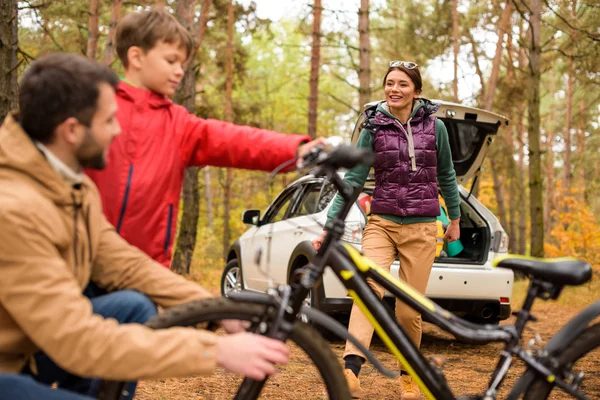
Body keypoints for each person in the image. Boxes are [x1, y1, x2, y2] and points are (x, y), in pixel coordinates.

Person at [0, 53, 289, 400]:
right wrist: (213, 352)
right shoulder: (13, 209)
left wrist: (218, 309)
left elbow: (124, 264)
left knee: (134, 307)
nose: (117, 130)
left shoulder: (72, 185)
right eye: (109, 120)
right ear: (72, 130)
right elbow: (76, 339)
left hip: (29, 346)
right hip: (13, 363)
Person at [85, 9, 321, 267]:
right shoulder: (94, 105)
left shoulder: (178, 124)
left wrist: (297, 149)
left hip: (144, 268)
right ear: (136, 57)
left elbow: (235, 141)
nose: (179, 72)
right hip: (82, 257)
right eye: (171, 61)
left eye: (182, 64)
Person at [312, 61, 461, 399]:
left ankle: (409, 374)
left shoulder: (436, 128)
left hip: (423, 227)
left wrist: (453, 219)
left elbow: (447, 176)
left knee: (409, 309)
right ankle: (350, 371)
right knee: (368, 292)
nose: (395, 89)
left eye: (403, 84)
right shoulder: (374, 127)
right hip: (381, 222)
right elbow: (352, 181)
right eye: (390, 83)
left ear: (417, 92)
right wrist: (328, 228)